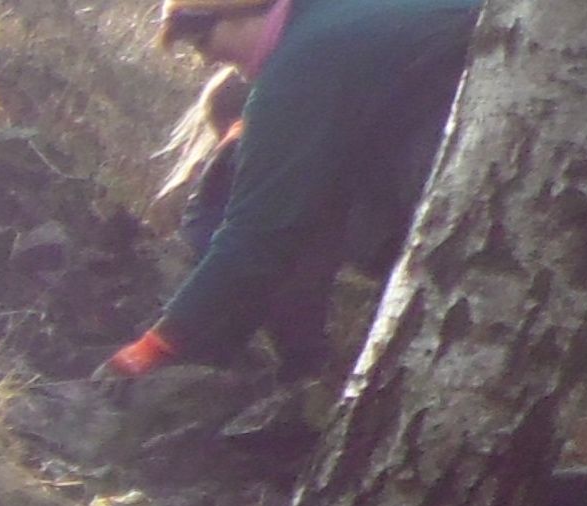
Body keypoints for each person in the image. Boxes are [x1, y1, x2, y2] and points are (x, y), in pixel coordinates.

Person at [101, 0, 478, 381]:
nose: (205, 60)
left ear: (240, 12)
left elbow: (257, 235)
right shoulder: (338, 17)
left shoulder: (302, 64)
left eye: (201, 41)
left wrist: (159, 345)